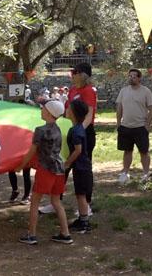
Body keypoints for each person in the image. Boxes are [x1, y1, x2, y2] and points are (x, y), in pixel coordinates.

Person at [41, 62, 97, 216]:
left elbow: (89, 114)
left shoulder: (89, 91)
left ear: (83, 75)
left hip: (84, 133)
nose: (72, 75)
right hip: (70, 132)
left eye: (75, 72)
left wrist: (79, 131)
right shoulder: (72, 90)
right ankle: (55, 201)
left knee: (83, 170)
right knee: (61, 167)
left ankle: (86, 206)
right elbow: (66, 112)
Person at [16, 100, 73, 245]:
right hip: (59, 169)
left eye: (43, 108)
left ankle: (32, 235)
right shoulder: (58, 129)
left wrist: (21, 166)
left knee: (35, 202)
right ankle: (66, 234)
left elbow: (31, 152)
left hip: (46, 170)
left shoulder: (40, 130)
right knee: (56, 201)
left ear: (49, 113)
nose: (41, 110)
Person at [116, 69, 152, 184]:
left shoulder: (146, 91)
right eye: (130, 76)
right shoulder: (123, 91)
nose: (131, 78)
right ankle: (125, 173)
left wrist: (147, 125)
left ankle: (146, 173)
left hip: (140, 127)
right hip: (125, 127)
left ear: (139, 78)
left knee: (144, 151)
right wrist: (118, 123)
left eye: (134, 76)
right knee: (127, 151)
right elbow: (119, 108)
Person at [65, 99, 93, 234]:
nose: (66, 110)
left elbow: (78, 150)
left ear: (73, 113)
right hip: (82, 166)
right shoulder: (78, 127)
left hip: (81, 167)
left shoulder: (76, 131)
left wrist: (67, 163)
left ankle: (84, 222)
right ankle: (82, 218)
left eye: (68, 108)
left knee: (81, 195)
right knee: (79, 194)